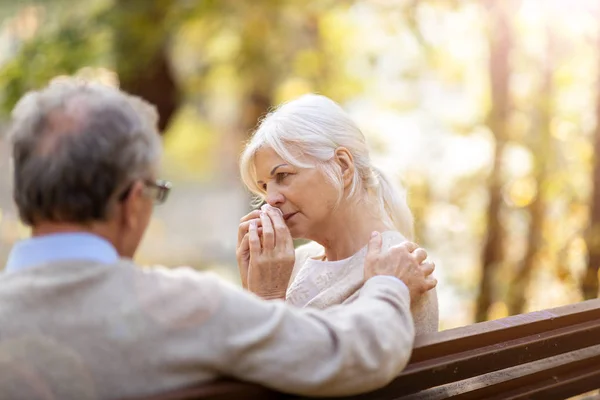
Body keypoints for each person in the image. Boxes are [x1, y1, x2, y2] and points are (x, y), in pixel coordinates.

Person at [0, 77, 437, 400]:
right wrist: (389, 284)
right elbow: (351, 356)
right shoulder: (187, 307)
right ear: (135, 204)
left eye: (283, 177)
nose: (271, 201)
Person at [238, 94, 439, 335]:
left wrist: (267, 297)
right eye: (264, 187)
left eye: (282, 176)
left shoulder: (399, 267)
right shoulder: (292, 263)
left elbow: (313, 369)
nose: (270, 200)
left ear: (343, 166)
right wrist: (254, 291)